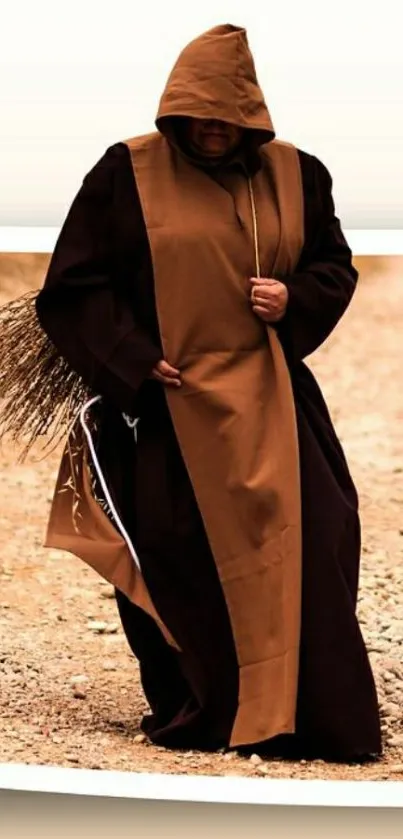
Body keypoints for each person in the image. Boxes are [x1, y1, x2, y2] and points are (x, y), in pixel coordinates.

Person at [8, 23, 382, 761]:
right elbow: (73, 288)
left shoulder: (298, 173)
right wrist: (136, 359)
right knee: (177, 554)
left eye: (227, 118)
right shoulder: (125, 173)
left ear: (250, 115)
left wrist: (294, 299)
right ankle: (206, 709)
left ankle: (314, 721)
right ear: (174, 109)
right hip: (164, 413)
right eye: (198, 116)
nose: (212, 130)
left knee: (318, 536)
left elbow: (333, 266)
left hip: (274, 401)